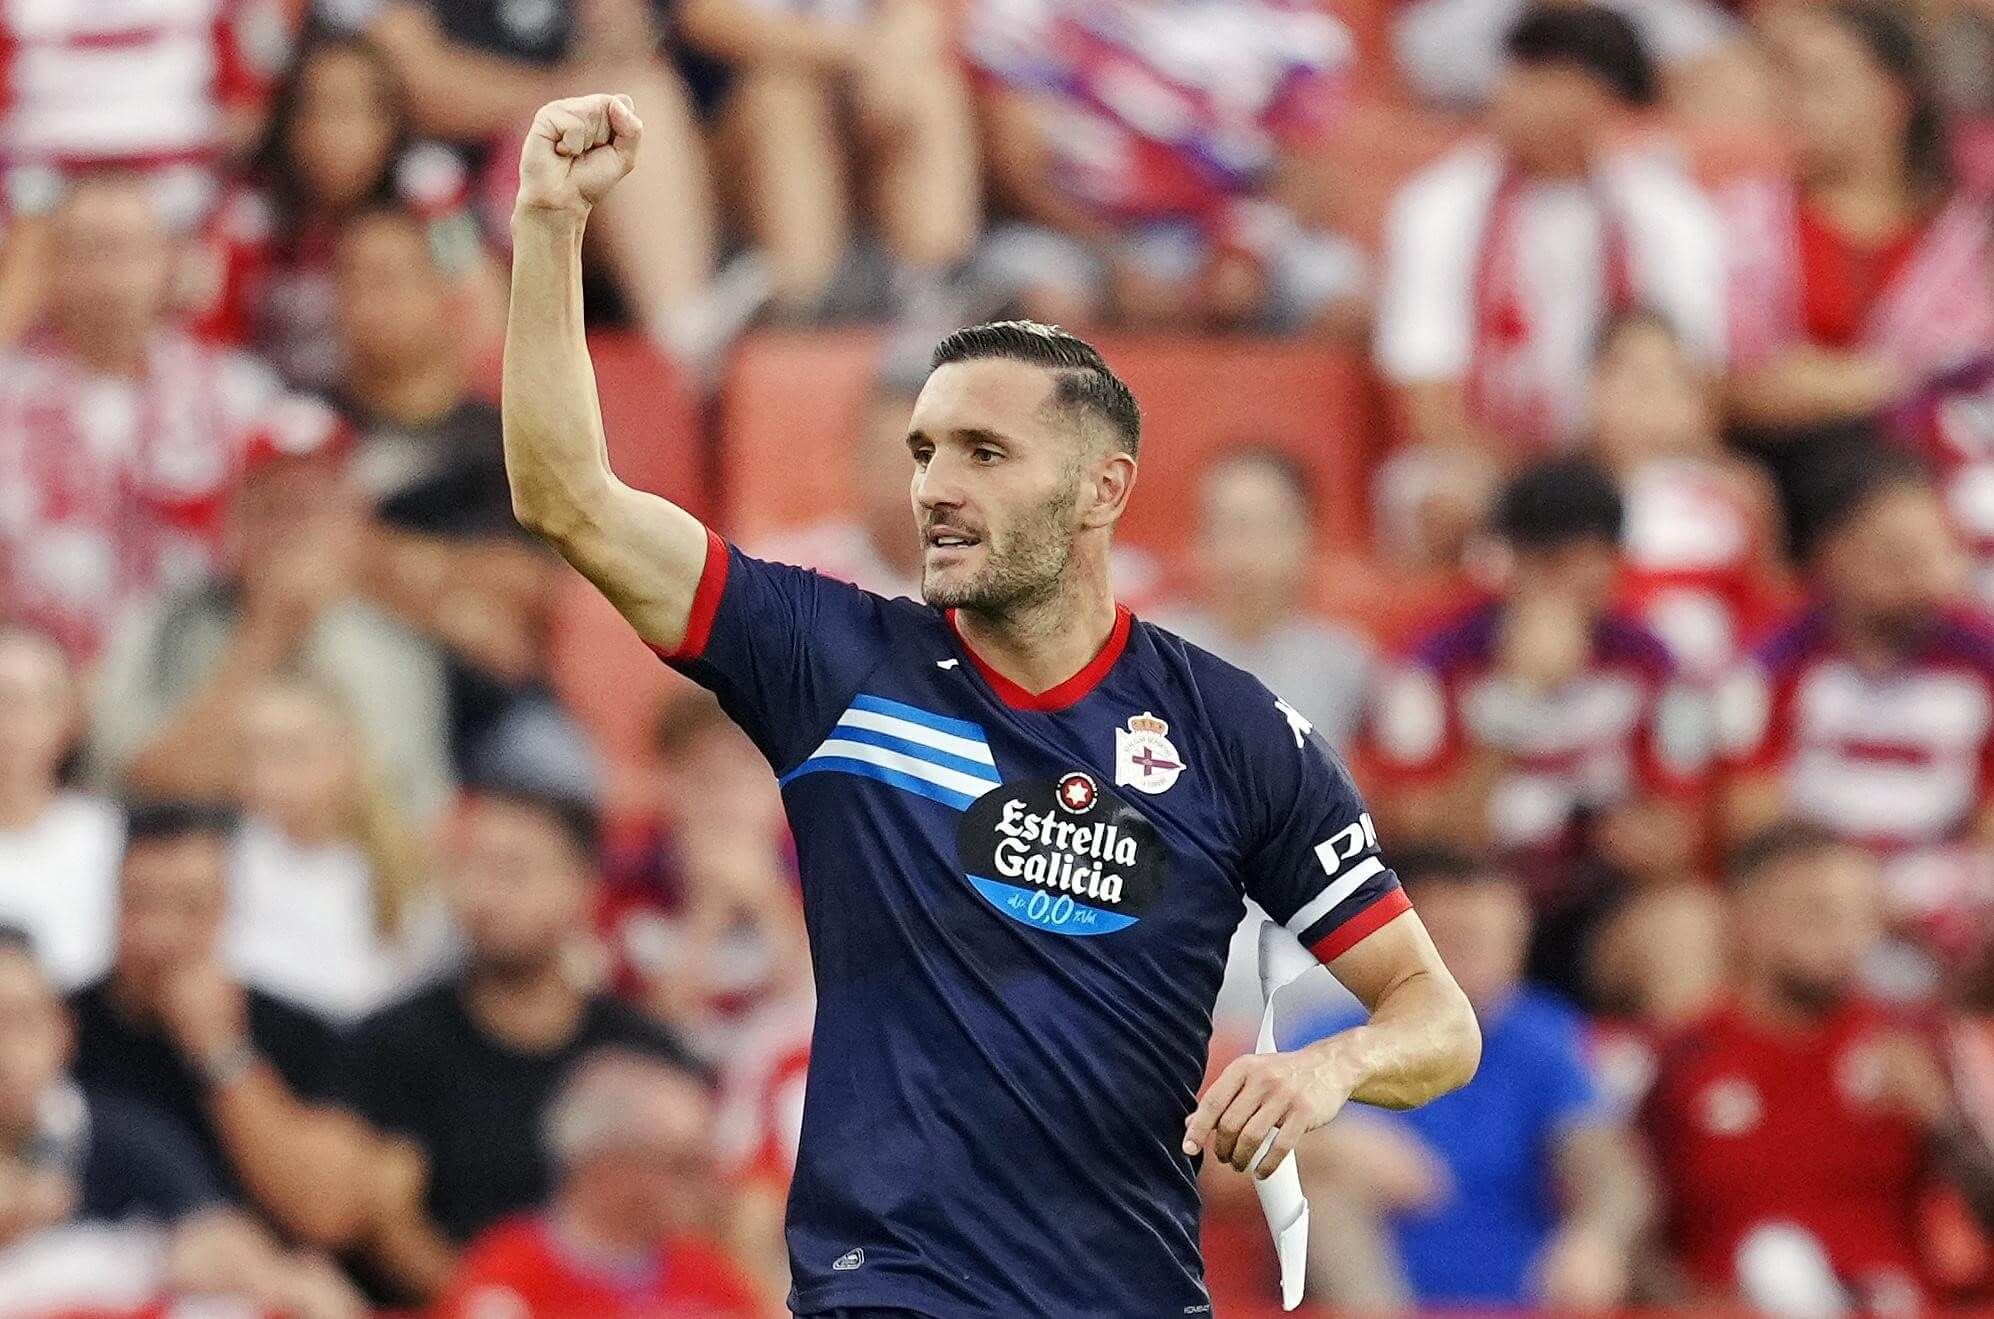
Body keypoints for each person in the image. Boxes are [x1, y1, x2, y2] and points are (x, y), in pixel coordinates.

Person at [503, 93, 1481, 1315]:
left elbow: (1436, 1018)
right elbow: (569, 500)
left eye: (982, 453)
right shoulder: (831, 660)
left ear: (1100, 487)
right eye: (921, 452)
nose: (933, 489)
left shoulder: (1233, 734)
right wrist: (549, 226)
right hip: (893, 1286)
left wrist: (1330, 1065)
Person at [342, 780, 704, 1305]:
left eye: (514, 871)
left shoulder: (644, 1055)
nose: (485, 896)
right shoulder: (394, 1042)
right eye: (470, 868)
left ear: (583, 887)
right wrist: (497, 1301)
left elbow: (693, 1218)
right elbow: (389, 1221)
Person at [1368, 455, 1703, 1001]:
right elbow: (1421, 838)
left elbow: (1677, 837)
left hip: (1594, 905)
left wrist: (1638, 842)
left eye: (1581, 563)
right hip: (1468, 898)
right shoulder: (1430, 664)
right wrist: (1516, 707)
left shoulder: (1651, 663)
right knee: (1470, 919)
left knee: (1684, 925)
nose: (1559, 585)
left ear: (1614, 566)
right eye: (1542, 562)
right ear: (1508, 562)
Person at [1643, 823, 1994, 1310]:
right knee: (1775, 1260)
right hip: (1736, 1303)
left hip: (1890, 1301)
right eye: (1817, 913)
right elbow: (1638, 1234)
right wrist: (1689, 1300)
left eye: (1861, 916)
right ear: (1742, 918)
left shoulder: (1919, 1044)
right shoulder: (1682, 1059)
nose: (1845, 937)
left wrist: (1940, 1116)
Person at [0, 172, 341, 661]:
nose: (109, 277)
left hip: (192, 676)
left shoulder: (237, 394)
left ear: (169, 262)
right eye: (87, 251)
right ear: (49, 268)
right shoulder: (9, 389)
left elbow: (307, 532)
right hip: (30, 686)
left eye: (128, 251)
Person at [1298, 849, 1655, 1311]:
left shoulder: (1541, 1039)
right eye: (1455, 942)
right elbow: (1218, 1161)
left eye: (1494, 944)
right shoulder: (1330, 1036)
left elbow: (1609, 1168)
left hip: (1519, 1292)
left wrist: (1597, 1239)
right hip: (1364, 1292)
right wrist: (1327, 1144)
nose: (1474, 964)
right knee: (1326, 1186)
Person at [1376, 4, 1725, 457]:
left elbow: (1696, 379)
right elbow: (1426, 395)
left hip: (1630, 456)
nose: (1509, 94)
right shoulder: (1438, 205)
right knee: (1449, 497)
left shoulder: (1668, 210)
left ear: (1599, 98)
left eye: (1540, 79)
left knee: (1705, 501)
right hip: (1483, 459)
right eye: (1513, 74)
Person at [88, 416, 455, 824]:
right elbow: (139, 784)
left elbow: (404, 806)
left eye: (310, 510)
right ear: (230, 523)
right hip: (201, 858)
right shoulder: (167, 623)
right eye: (270, 509)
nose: (290, 536)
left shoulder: (393, 633)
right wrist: (266, 635)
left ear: (355, 523)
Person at [329, 202, 585, 785]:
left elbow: (528, 585)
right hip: (348, 701)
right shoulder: (304, 427)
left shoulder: (510, 437)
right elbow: (298, 563)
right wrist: (453, 608)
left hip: (491, 709)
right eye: (350, 280)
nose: (366, 302)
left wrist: (371, 565)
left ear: (448, 295)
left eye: (389, 279)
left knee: (567, 783)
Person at [1717, 450, 1994, 975]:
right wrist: (1850, 896)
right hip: (1813, 888)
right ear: (1833, 555)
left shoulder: (1982, 661)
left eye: (1933, 552)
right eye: (1895, 555)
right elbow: (1754, 819)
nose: (1921, 575)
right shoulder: (1771, 664)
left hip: (1939, 886)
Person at [1725, 1, 1994, 541]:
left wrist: (1840, 380)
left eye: (1817, 82)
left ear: (1895, 97)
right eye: (1784, 82)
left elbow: (1969, 379)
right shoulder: (1746, 215)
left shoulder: (1965, 234)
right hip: (1782, 478)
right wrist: (1895, 380)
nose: (1792, 104)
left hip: (1936, 482)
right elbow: (1727, 384)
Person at [0, 926, 366, 1318]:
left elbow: (219, 1238)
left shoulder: (123, 1134)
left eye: (19, 1021)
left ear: (63, 1030)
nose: (4, 1051)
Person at [65, 802, 374, 1251]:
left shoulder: (295, 1031)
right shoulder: (52, 1025)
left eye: (192, 908)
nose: (161, 934)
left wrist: (221, 1053)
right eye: (141, 903)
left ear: (230, 910)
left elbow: (329, 1213)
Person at [967, 0, 1365, 334]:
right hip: (1074, 235)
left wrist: (1243, 250)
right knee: (1044, 304)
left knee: (1345, 300)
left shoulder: (1288, 18)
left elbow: (1312, 170)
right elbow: (1018, 169)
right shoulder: (1027, 10)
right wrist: (1118, 263)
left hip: (1234, 230)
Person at [368, 0, 728, 364]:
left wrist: (615, 32)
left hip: (564, 159)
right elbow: (419, 83)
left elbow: (630, 48)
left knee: (642, 101)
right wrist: (560, 100)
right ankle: (488, 411)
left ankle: (686, 343)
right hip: (447, 188)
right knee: (464, 271)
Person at [199, 32, 490, 392]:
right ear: (287, 126)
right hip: (282, 410)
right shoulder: (249, 215)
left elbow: (476, 303)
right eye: (313, 111)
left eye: (352, 111)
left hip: (403, 399)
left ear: (390, 122)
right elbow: (213, 344)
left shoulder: (430, 189)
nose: (332, 134)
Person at [681, 0, 980, 321]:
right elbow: (705, 22)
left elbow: (918, 19)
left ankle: (935, 284)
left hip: (851, 110)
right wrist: (850, 51)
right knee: (784, 97)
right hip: (723, 143)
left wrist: (892, 62)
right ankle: (804, 297)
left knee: (927, 91)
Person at [437, 1050, 765, 1317]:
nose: (707, 1186)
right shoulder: (509, 1278)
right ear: (606, 1169)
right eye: (682, 1167)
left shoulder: (708, 1274)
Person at [227, 674, 451, 1028]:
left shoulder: (406, 869)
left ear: (347, 753)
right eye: (251, 752)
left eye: (289, 751)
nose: (267, 773)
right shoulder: (219, 858)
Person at [600, 689, 805, 1055]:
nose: (726, 803)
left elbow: (816, 1011)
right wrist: (705, 913)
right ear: (666, 784)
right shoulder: (627, 880)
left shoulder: (819, 872)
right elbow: (642, 1039)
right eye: (706, 780)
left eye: (748, 777)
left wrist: (768, 901)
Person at [1592, 309, 1786, 680]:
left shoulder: (1739, 490)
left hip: (1719, 684)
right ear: (1594, 391)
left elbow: (1768, 602)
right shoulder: (1568, 494)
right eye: (1640, 383)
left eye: (1677, 382)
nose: (1657, 403)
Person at [1150, 447, 1371, 750]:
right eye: (1229, 527)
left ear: (1307, 538)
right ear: (1197, 540)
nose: (1245, 553)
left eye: (1266, 527)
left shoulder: (1346, 663)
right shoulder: (1148, 656)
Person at [0, 627, 121, 990]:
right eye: (4, 700)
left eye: (40, 701)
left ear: (73, 717)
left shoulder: (112, 834)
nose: (14, 723)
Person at [752, 360, 927, 599]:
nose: (900, 486)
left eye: (920, 463)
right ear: (855, 461)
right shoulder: (790, 577)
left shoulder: (978, 587)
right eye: (887, 460)